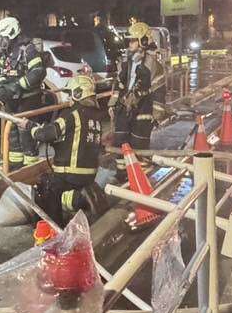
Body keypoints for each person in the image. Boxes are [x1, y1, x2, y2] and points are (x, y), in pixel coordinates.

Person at [31, 73, 107, 226]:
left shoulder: (72, 114)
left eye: (69, 94)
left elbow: (47, 134)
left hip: (69, 174)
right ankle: (77, 199)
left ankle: (54, 228)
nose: (68, 98)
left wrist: (32, 129)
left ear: (78, 93)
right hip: (89, 175)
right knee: (56, 187)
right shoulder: (96, 115)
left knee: (45, 188)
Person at [0, 16, 51, 166]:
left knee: (25, 133)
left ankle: (30, 167)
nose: (1, 41)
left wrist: (17, 86)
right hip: (11, 100)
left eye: (3, 37)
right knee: (12, 133)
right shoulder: (6, 52)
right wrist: (1, 87)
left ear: (12, 34)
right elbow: (2, 72)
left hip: (28, 99)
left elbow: (37, 72)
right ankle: (14, 166)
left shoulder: (29, 49)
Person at [112, 21, 158, 168]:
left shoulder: (151, 64)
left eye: (133, 40)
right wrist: (113, 104)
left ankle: (142, 178)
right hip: (124, 110)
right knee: (120, 143)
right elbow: (121, 85)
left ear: (143, 41)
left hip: (142, 111)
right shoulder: (128, 62)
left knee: (139, 146)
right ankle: (121, 174)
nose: (129, 44)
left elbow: (152, 89)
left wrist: (156, 115)